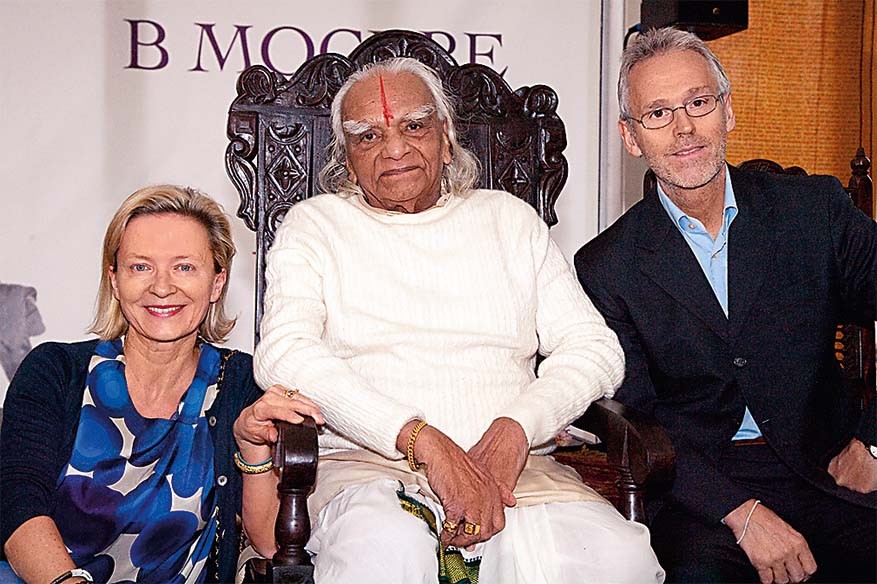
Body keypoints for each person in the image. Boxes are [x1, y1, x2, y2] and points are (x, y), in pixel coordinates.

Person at [252, 56, 665, 584]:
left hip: (516, 471)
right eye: (368, 136)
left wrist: (518, 428)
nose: (394, 149)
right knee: (387, 551)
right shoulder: (315, 226)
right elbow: (285, 354)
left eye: (414, 127)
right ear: (347, 161)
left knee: (619, 561)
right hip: (370, 467)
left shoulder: (509, 220)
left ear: (446, 138)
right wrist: (420, 440)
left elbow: (594, 350)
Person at [575, 27, 876, 584]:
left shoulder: (814, 211)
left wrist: (873, 442)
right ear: (630, 136)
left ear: (728, 111)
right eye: (657, 113)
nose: (684, 128)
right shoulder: (606, 266)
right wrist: (742, 514)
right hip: (703, 491)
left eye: (698, 103)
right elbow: (634, 415)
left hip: (830, 464)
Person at [0, 186, 323, 584]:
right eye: (141, 267)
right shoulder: (55, 371)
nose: (162, 286)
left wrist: (252, 446)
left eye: (184, 267)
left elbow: (272, 545)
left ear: (217, 282)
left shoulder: (242, 383)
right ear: (115, 281)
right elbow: (18, 505)